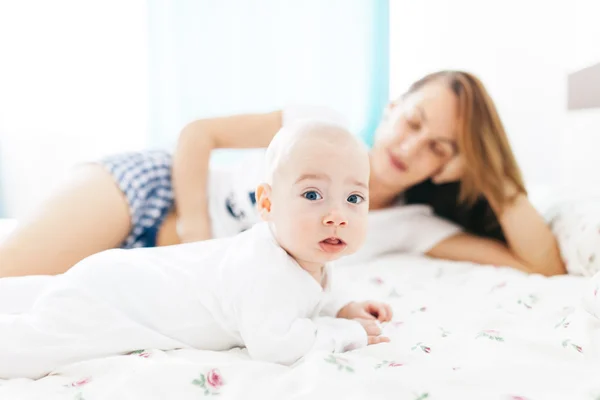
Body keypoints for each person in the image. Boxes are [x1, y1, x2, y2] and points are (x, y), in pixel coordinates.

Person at [0, 70, 565, 277]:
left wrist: (490, 177)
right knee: (11, 275)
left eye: (439, 147)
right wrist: (197, 235)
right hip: (145, 192)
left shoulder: (414, 224)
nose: (412, 146)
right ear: (393, 107)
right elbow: (200, 134)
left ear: (449, 166)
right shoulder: (318, 123)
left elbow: (541, 264)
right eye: (414, 121)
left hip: (152, 274)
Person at [0, 121, 392, 379]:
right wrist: (344, 331)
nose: (337, 215)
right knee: (34, 345)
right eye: (312, 194)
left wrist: (341, 306)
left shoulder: (303, 256)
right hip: (122, 302)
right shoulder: (265, 269)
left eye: (355, 198)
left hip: (115, 276)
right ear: (267, 205)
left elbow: (313, 289)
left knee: (44, 292)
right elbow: (277, 345)